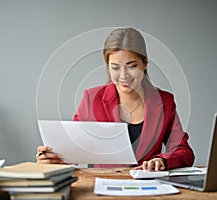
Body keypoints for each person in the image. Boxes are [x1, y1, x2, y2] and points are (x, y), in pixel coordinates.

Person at [36, 27, 195, 171]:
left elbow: (184, 151)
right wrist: (52, 158)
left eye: (132, 66)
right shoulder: (92, 99)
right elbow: (74, 150)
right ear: (108, 66)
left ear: (144, 63)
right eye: (115, 67)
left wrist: (163, 160)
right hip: (104, 185)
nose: (123, 75)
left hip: (148, 188)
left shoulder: (165, 101)